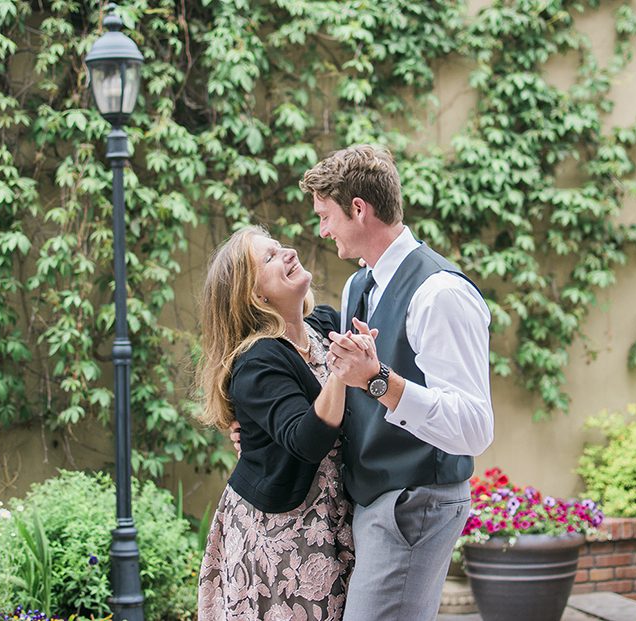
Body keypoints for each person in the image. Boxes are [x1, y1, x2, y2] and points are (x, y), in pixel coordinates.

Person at [298, 144, 496, 620]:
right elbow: (346, 382)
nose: (323, 230)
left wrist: (380, 379)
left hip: (414, 502)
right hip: (371, 499)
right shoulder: (357, 287)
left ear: (359, 210)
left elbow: (474, 428)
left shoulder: (440, 294)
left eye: (325, 216)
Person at [195, 226, 378, 621]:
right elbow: (306, 439)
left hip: (330, 517)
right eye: (270, 257)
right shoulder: (257, 360)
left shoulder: (324, 326)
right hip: (282, 534)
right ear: (254, 295)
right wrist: (340, 374)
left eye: (280, 248)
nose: (289, 253)